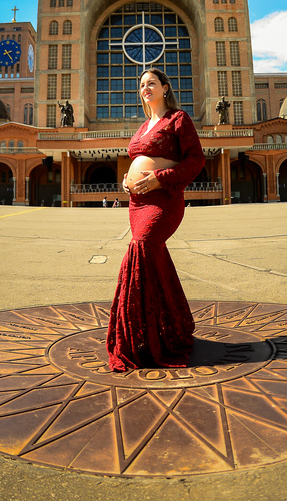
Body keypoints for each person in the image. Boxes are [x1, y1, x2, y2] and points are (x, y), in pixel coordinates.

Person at [107, 68, 204, 373]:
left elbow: (196, 160)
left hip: (164, 201)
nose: (145, 88)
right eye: (141, 85)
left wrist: (160, 178)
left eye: (151, 83)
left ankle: (144, 338)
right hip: (137, 204)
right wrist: (127, 181)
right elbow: (137, 161)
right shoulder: (142, 127)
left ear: (164, 87)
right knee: (151, 259)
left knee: (141, 250)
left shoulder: (178, 119)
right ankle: (169, 327)